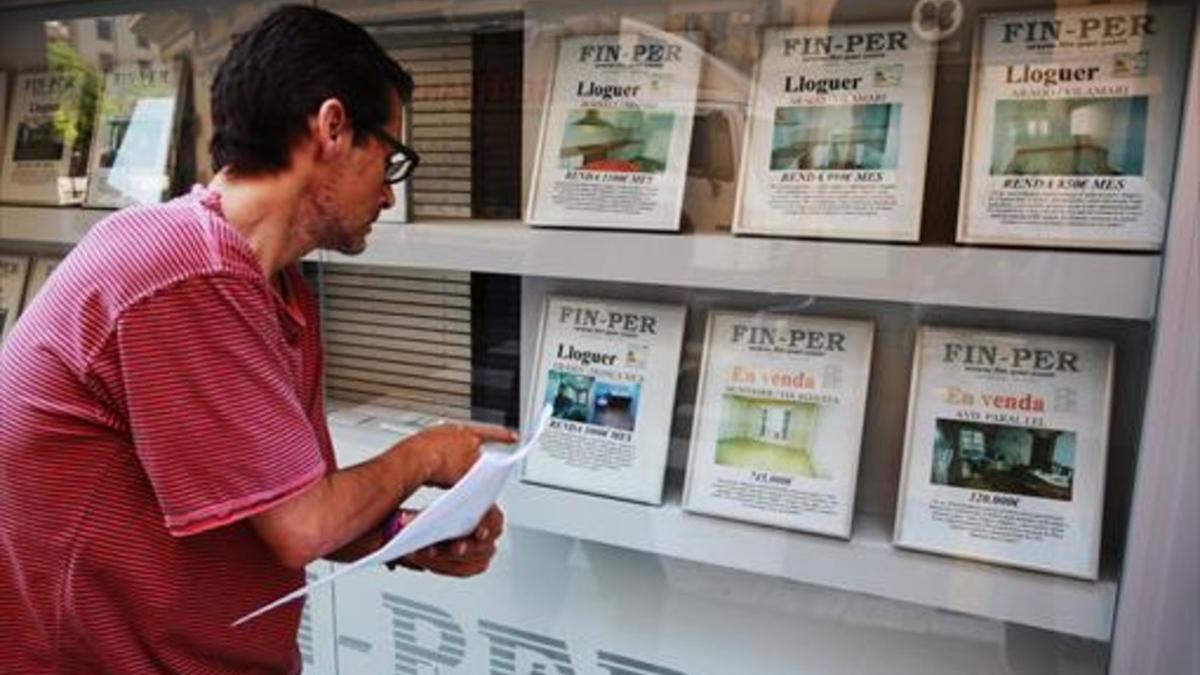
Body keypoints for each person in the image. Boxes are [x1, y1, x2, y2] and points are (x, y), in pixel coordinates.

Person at [0, 6, 514, 674]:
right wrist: (427, 452)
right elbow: (302, 524)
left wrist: (405, 535)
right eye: (391, 157)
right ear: (332, 128)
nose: (390, 195)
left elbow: (301, 502)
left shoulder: (270, 285)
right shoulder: (182, 268)